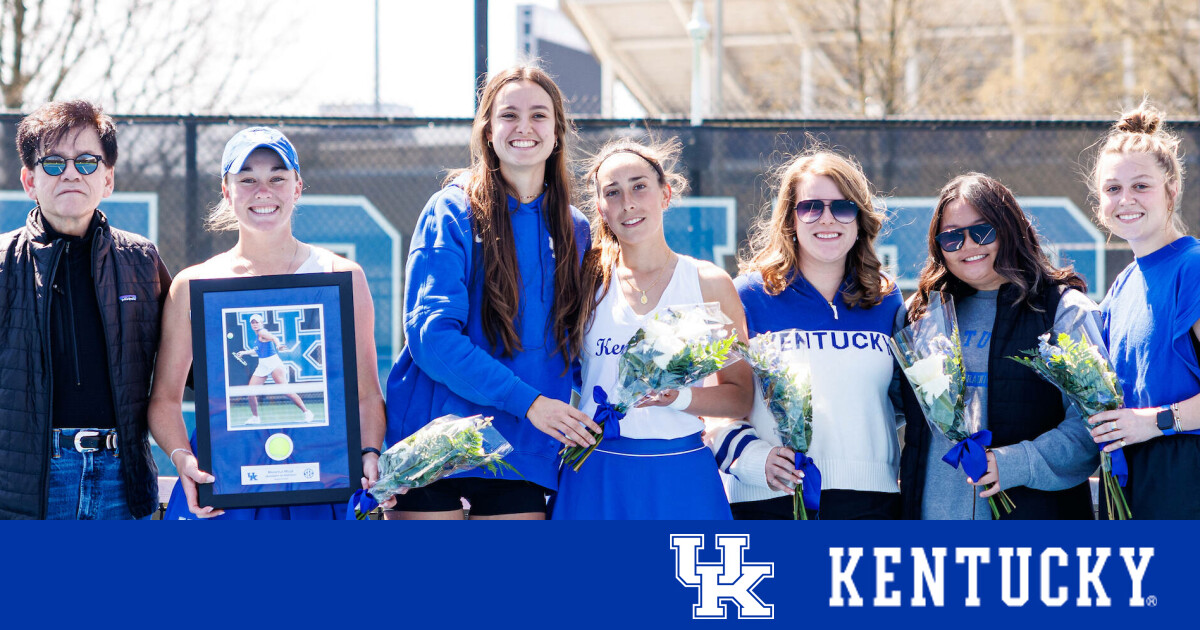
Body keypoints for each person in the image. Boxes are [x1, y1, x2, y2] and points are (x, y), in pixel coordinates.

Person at [385, 65, 599, 520]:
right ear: (487, 131)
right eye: (509, 115)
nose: (524, 127)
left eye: (539, 115)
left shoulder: (575, 229)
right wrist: (531, 403)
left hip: (522, 453)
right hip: (436, 447)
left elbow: (579, 349)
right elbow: (432, 339)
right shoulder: (452, 209)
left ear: (558, 132)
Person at [149, 126, 386, 519]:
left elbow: (367, 394)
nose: (264, 191)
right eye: (248, 180)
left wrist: (369, 453)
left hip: (318, 482)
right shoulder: (193, 285)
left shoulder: (342, 276)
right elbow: (165, 400)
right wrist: (182, 459)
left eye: (278, 177)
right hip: (224, 481)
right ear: (227, 191)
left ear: (297, 188)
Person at [551, 138, 752, 520]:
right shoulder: (584, 282)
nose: (628, 202)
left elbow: (739, 397)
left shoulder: (708, 283)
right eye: (613, 192)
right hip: (596, 473)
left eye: (639, 186)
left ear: (665, 193)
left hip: (681, 476)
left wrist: (675, 397)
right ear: (600, 209)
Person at [0, 100, 171, 520]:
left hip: (121, 482)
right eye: (54, 162)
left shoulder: (141, 260)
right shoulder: (2, 262)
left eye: (88, 161)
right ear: (29, 180)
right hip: (25, 492)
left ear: (108, 178)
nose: (72, 172)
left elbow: (193, 370)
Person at [712, 149, 904, 520]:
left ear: (860, 219)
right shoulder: (748, 295)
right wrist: (755, 461)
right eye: (811, 207)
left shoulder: (884, 298)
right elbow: (717, 404)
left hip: (871, 501)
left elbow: (893, 403)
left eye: (842, 207)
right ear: (790, 219)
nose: (826, 219)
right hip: (769, 498)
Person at [898, 173, 1100, 519]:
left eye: (982, 231)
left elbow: (1092, 426)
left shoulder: (1063, 311)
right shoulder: (922, 316)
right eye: (952, 237)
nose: (969, 245)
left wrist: (1015, 463)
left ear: (1010, 228)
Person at [1086, 102, 1200, 519]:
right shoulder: (1121, 287)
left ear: (1171, 191)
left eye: (1141, 186)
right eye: (1113, 189)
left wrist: (1153, 423)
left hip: (1184, 485)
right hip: (1130, 488)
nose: (1125, 200)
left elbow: (1146, 419)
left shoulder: (1193, 268)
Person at [235, 313, 314, 424]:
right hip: (262, 365)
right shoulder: (257, 336)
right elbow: (258, 350)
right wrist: (244, 352)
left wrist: (278, 345)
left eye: (257, 322)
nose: (255, 324)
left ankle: (307, 412)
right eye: (252, 323)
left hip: (274, 364)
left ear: (261, 323)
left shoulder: (263, 332)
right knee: (250, 391)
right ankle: (255, 418)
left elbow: (273, 338)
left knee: (286, 391)